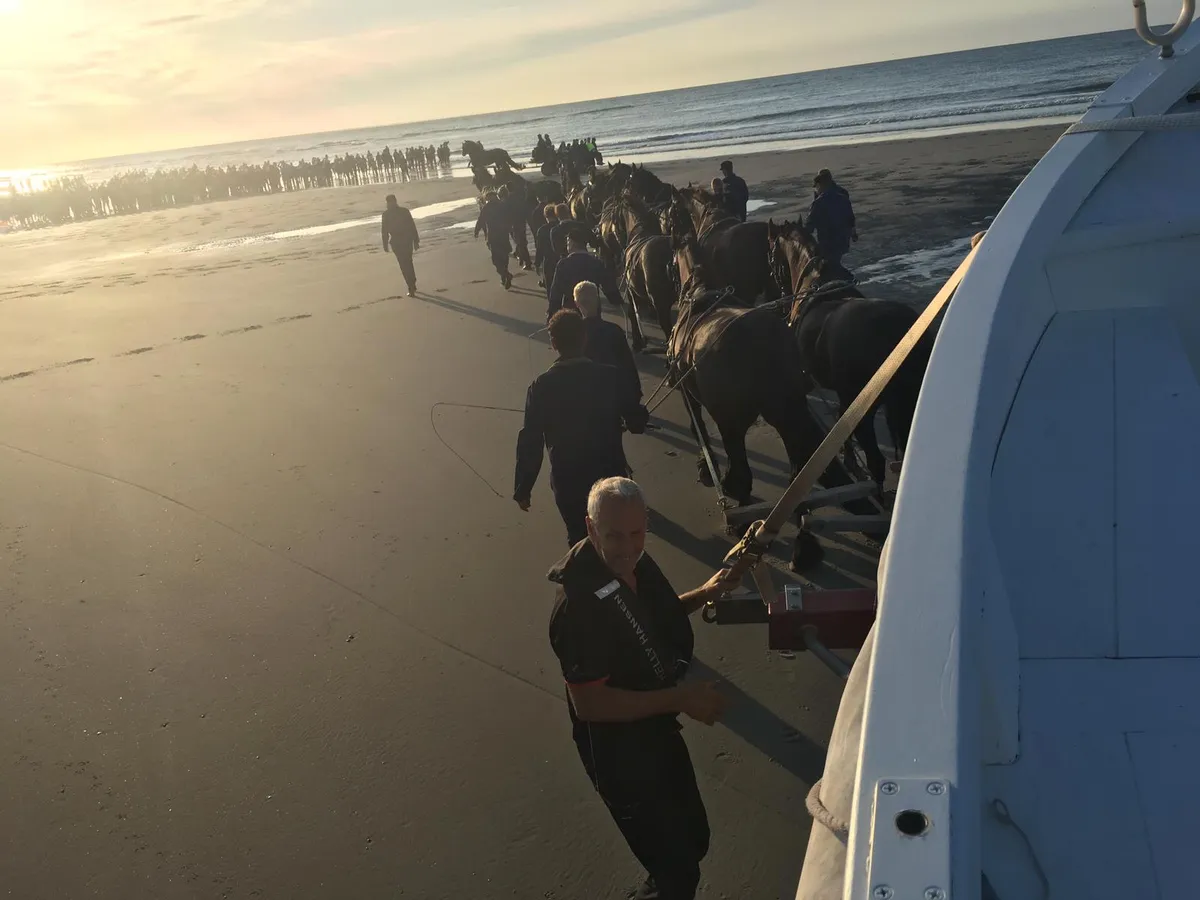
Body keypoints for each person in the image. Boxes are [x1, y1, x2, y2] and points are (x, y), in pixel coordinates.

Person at [547, 476, 736, 900]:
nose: (628, 547)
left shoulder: (633, 562)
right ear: (591, 528)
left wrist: (705, 593)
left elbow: (650, 618)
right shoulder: (577, 609)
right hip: (621, 755)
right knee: (677, 872)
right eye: (613, 535)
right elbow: (590, 704)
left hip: (656, 729)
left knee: (694, 838)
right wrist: (680, 698)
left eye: (636, 533)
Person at [514, 310, 648, 544]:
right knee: (616, 537)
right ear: (584, 338)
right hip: (609, 473)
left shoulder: (542, 386)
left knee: (579, 539)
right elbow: (636, 421)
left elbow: (531, 440)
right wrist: (638, 418)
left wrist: (523, 488)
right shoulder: (610, 376)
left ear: (553, 343)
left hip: (568, 480)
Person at [574, 281, 641, 404]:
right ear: (598, 300)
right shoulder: (614, 331)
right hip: (611, 397)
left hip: (583, 400)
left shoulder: (574, 333)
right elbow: (628, 368)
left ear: (577, 304)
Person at [548, 231, 622, 321]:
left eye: (568, 242)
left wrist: (552, 313)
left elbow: (556, 291)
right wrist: (616, 300)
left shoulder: (563, 264)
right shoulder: (596, 262)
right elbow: (608, 285)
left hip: (571, 310)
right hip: (593, 308)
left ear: (572, 243)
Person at [807, 169, 858, 267]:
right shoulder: (843, 196)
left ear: (820, 184)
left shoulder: (818, 202)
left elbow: (809, 226)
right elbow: (850, 218)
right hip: (843, 241)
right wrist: (853, 233)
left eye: (816, 187)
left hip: (827, 244)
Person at [381, 194, 419, 296]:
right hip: (400, 241)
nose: (390, 204)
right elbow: (384, 231)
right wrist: (385, 244)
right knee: (406, 263)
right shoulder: (394, 213)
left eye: (390, 202)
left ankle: (411, 284)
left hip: (402, 241)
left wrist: (416, 240)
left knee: (405, 263)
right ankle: (411, 283)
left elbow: (412, 226)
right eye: (389, 202)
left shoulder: (398, 212)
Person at [474, 191, 513, 289]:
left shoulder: (487, 208)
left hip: (493, 236)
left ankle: (505, 274)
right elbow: (510, 218)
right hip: (503, 234)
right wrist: (510, 229)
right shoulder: (503, 205)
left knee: (496, 259)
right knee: (504, 256)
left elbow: (481, 220)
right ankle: (505, 275)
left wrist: (477, 231)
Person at [534, 203, 560, 290]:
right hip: (561, 259)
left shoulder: (542, 230)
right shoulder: (560, 227)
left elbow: (539, 249)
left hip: (549, 260)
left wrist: (537, 263)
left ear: (545, 216)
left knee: (550, 286)